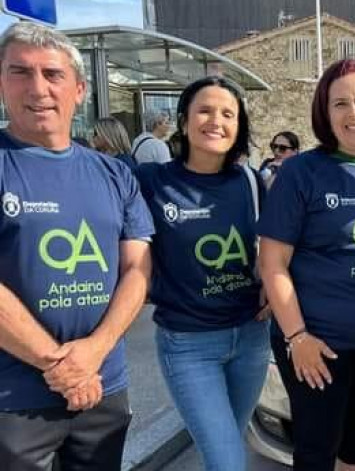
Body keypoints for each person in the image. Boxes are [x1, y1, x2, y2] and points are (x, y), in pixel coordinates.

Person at [0, 22, 155, 470]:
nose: (38, 89)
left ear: (80, 89)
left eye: (52, 74)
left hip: (103, 388)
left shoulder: (114, 174)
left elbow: (137, 271)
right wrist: (59, 365)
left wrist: (94, 352)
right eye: (20, 72)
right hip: (14, 400)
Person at [258, 59, 355, 471]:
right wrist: (298, 337)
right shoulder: (300, 173)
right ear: (324, 113)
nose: (353, 113)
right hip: (317, 342)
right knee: (316, 451)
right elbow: (272, 262)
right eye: (339, 103)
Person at [135, 76, 269, 471]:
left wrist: (271, 288)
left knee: (224, 452)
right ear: (183, 120)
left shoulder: (250, 181)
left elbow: (268, 248)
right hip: (188, 345)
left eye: (228, 113)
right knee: (228, 461)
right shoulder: (152, 182)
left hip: (251, 337)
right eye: (205, 111)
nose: (216, 121)